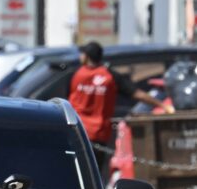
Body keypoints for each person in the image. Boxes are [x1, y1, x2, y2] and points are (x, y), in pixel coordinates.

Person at [67, 42, 171, 174]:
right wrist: (162, 105)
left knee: (75, 171)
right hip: (98, 134)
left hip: (76, 131)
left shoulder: (76, 74)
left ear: (86, 57)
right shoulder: (110, 75)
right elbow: (136, 93)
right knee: (93, 173)